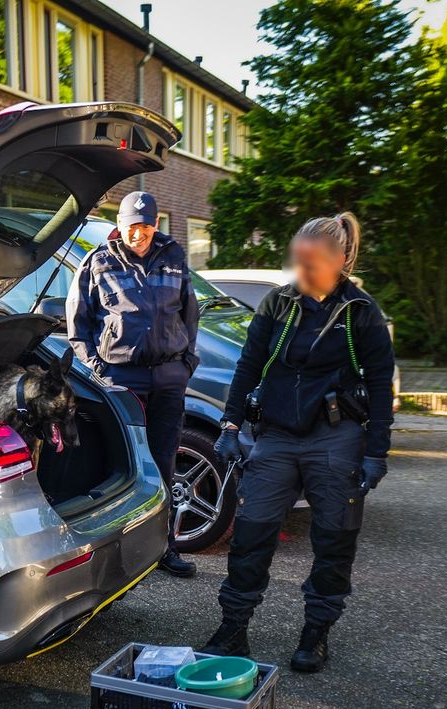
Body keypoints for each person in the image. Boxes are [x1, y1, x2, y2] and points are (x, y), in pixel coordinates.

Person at [201, 212, 394, 673]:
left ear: (341, 260)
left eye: (312, 265)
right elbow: (249, 364)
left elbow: (382, 385)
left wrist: (376, 452)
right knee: (250, 533)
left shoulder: (360, 312)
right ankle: (232, 630)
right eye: (297, 263)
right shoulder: (277, 304)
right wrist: (230, 427)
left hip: (337, 439)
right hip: (277, 438)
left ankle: (316, 633)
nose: (301, 273)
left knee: (334, 539)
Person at [66, 191, 200, 578]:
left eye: (145, 226)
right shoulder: (98, 262)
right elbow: (79, 325)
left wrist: (187, 362)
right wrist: (98, 368)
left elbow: (190, 315)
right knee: (120, 464)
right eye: (131, 227)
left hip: (169, 378)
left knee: (163, 462)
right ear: (119, 226)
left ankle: (164, 549)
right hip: (121, 379)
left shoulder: (174, 258)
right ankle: (115, 555)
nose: (138, 235)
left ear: (155, 225)